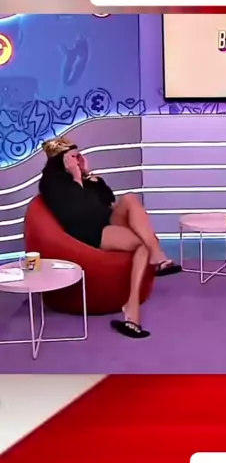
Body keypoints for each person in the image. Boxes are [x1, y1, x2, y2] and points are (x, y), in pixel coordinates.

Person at [38, 136, 182, 339]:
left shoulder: (84, 176)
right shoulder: (52, 183)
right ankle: (132, 307)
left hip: (104, 220)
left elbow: (108, 200)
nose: (78, 160)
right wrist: (77, 178)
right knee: (141, 245)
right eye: (73, 157)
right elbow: (80, 212)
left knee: (130, 198)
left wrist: (87, 175)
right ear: (60, 160)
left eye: (79, 156)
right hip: (87, 230)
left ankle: (156, 256)